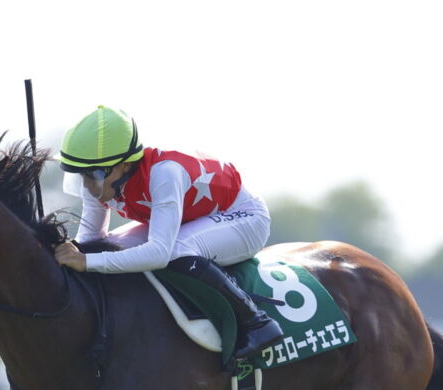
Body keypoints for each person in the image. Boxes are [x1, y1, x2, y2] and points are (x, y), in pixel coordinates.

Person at [53, 105, 283, 360]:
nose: (87, 184)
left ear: (125, 165)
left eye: (94, 174)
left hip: (245, 217)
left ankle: (256, 322)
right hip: (192, 219)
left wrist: (86, 261)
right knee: (108, 247)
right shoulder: (104, 178)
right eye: (80, 174)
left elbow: (159, 253)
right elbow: (90, 241)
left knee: (176, 250)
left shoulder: (164, 173)